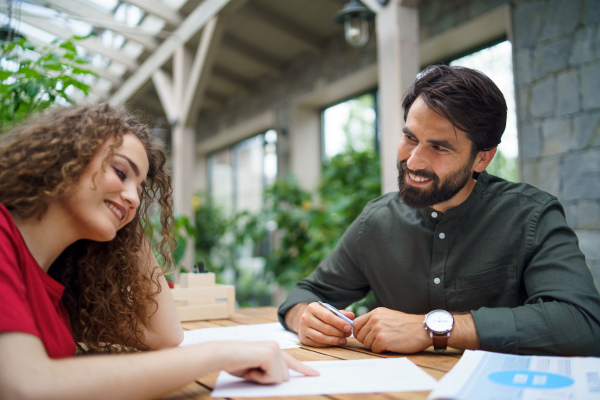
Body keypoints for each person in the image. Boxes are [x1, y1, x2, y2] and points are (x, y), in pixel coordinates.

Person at [0, 103, 317, 400]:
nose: (135, 200)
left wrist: (123, 212)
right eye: (121, 172)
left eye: (141, 191)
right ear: (64, 159)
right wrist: (221, 354)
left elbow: (164, 334)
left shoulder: (60, 289)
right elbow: (24, 386)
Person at [279, 65, 600, 357]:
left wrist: (433, 328)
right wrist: (304, 317)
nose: (414, 161)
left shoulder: (531, 216)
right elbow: (305, 294)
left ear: (482, 158)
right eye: (410, 137)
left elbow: (582, 323)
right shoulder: (376, 222)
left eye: (439, 147)